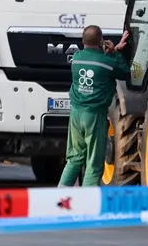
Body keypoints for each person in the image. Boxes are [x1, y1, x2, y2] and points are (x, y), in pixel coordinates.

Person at [59, 25, 130, 187]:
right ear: (101, 41)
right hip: (95, 115)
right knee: (94, 163)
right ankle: (87, 204)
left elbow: (96, 63)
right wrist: (115, 52)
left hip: (76, 114)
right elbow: (125, 72)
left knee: (74, 159)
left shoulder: (76, 58)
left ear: (83, 40)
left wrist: (108, 52)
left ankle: (59, 197)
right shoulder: (108, 62)